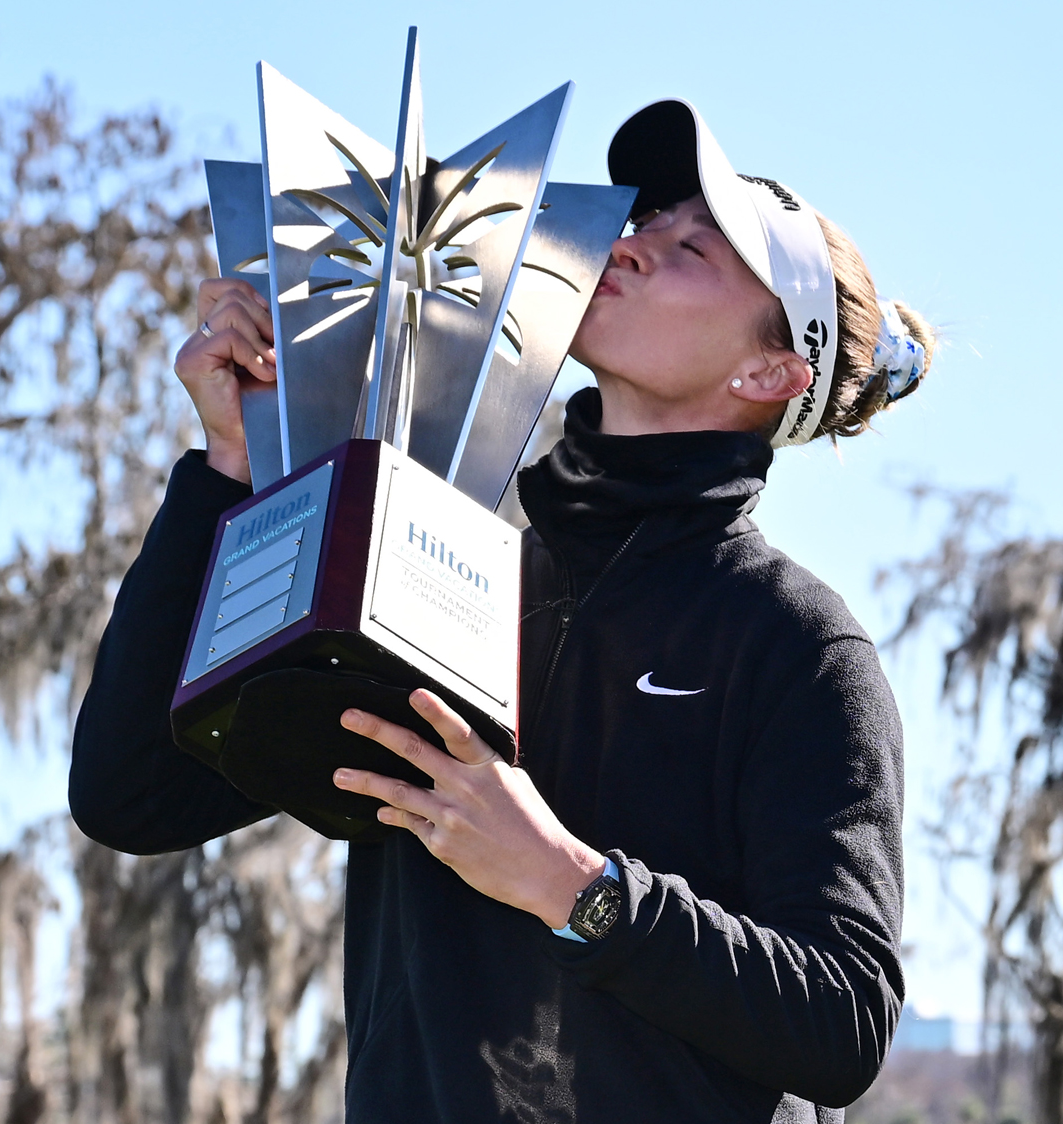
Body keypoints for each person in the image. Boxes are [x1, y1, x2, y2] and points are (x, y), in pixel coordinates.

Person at [69, 99, 932, 1123]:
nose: (632, 244)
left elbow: (842, 1019)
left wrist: (574, 885)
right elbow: (132, 794)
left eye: (693, 248)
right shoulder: (429, 555)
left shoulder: (795, 641)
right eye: (645, 222)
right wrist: (230, 472)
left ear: (767, 371)